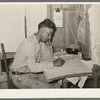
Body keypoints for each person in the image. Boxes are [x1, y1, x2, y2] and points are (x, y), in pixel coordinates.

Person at [10, 18, 65, 88]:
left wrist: (48, 44)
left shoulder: (39, 42)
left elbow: (48, 57)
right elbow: (33, 67)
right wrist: (53, 64)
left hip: (29, 73)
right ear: (41, 30)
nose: (50, 38)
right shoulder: (29, 43)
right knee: (51, 89)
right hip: (20, 77)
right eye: (49, 34)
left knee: (57, 82)